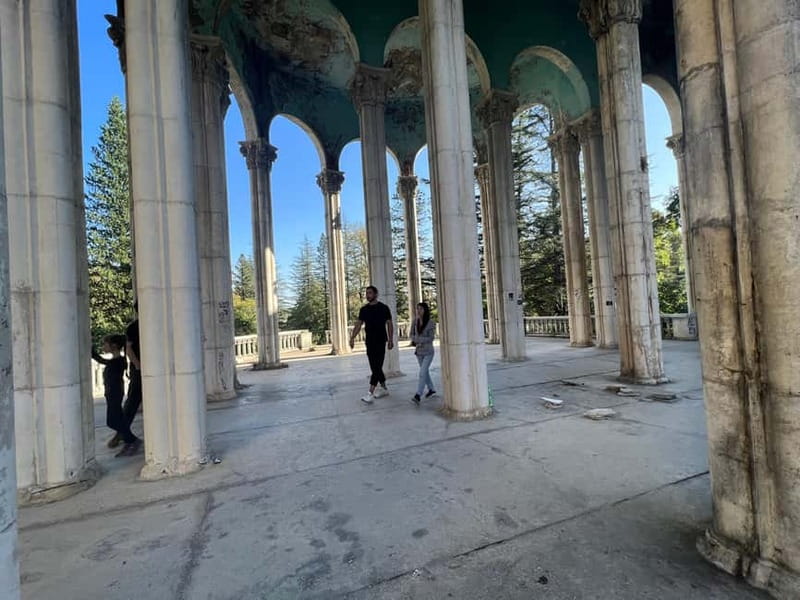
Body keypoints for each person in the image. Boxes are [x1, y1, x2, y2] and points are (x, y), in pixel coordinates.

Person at [92, 334, 141, 457]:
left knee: (113, 421)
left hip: (115, 394)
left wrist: (92, 352)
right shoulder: (117, 360)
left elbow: (103, 361)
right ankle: (129, 440)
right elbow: (102, 360)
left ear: (113, 346)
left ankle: (132, 440)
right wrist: (92, 352)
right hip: (112, 393)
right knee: (116, 420)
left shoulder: (118, 361)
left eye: (105, 344)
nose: (103, 346)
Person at [350, 285, 394, 404]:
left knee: (376, 367)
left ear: (376, 294)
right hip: (369, 341)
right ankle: (384, 388)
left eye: (369, 293)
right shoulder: (364, 310)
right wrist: (352, 337)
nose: (367, 295)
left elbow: (389, 324)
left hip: (380, 340)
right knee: (375, 367)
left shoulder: (384, 308)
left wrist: (390, 339)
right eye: (366, 293)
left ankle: (370, 393)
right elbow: (358, 324)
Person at [109, 301, 143, 449]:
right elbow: (129, 350)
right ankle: (121, 432)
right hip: (139, 370)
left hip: (152, 370)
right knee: (132, 403)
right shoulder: (133, 327)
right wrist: (137, 365)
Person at [409, 302, 437, 405]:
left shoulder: (431, 323)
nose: (418, 311)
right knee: (425, 372)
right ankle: (431, 389)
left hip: (428, 352)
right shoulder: (414, 322)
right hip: (419, 352)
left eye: (420, 309)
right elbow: (411, 335)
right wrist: (415, 339)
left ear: (425, 310)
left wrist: (419, 340)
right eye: (417, 309)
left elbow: (431, 338)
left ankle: (418, 395)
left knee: (422, 373)